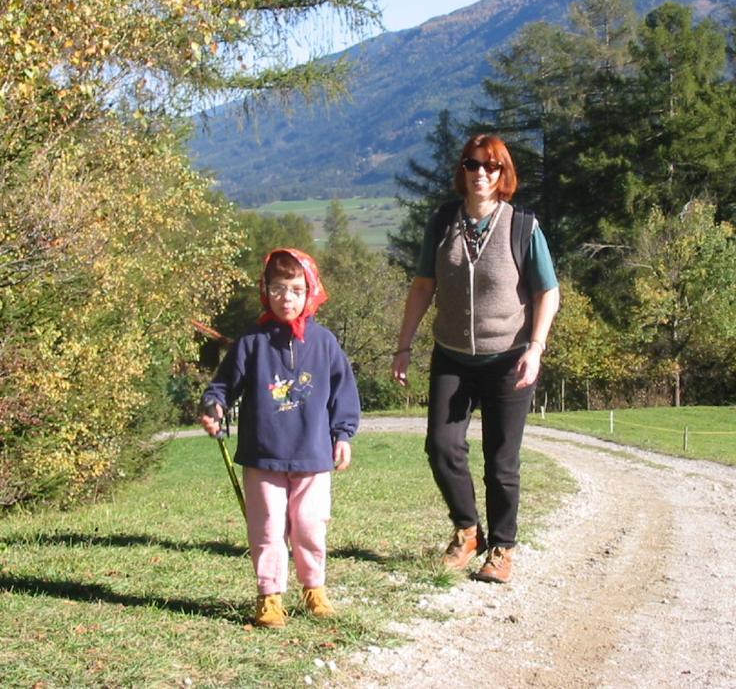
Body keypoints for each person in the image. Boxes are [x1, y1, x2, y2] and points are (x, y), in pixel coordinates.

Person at [391, 134, 560, 584]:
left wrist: (537, 348)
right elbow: (423, 286)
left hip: (509, 358)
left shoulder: (522, 225)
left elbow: (548, 291)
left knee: (501, 460)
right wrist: (404, 345)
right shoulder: (443, 221)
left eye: (491, 167)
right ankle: (468, 531)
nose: (481, 174)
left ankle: (502, 548)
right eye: (473, 165)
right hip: (453, 356)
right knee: (442, 447)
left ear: (504, 174)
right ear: (462, 171)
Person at [201, 248, 360, 628]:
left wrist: (343, 434)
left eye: (295, 289)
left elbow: (344, 393)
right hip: (263, 458)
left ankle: (314, 588)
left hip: (313, 457)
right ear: (265, 290)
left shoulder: (324, 343)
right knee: (267, 526)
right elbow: (223, 387)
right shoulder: (251, 342)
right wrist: (213, 407)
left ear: (311, 292)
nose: (285, 298)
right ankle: (269, 596)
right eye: (277, 288)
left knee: (309, 524)